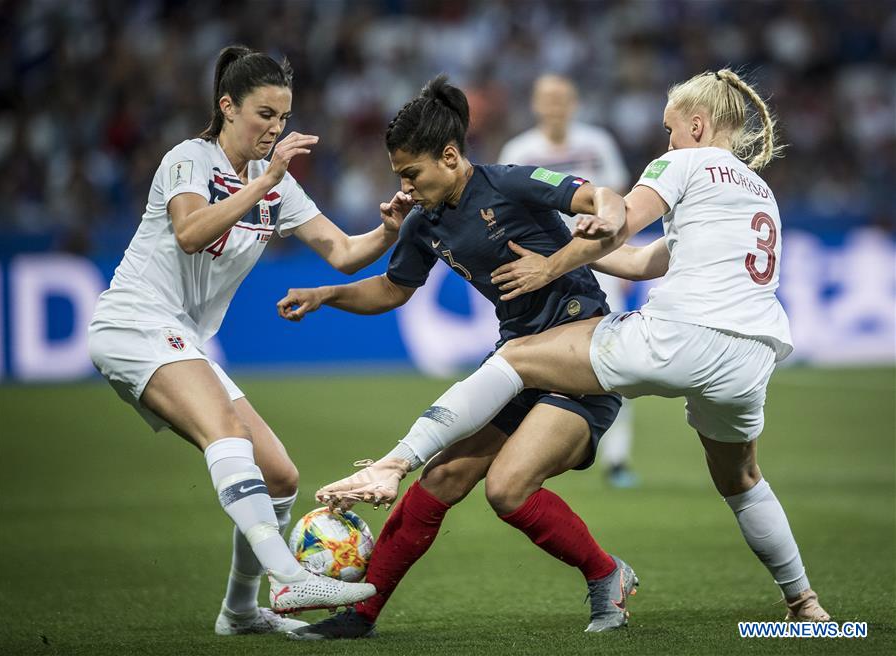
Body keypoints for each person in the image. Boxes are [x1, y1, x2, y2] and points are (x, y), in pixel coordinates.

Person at [318, 69, 830, 623]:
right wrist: (568, 245)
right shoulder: (759, 192)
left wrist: (552, 264)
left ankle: (392, 463)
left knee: (514, 358)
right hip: (752, 355)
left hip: (672, 337)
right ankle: (805, 602)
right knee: (741, 480)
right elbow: (642, 259)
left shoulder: (680, 163)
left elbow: (617, 224)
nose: (667, 142)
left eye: (670, 129)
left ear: (698, 125)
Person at [278, 75, 637, 640]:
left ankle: (605, 573)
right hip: (518, 362)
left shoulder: (510, 182)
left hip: (581, 358)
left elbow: (600, 197)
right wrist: (327, 295)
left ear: (449, 157)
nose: (404, 187)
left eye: (411, 173)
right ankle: (361, 614)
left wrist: (604, 222)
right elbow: (392, 290)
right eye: (399, 175)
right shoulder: (423, 222)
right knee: (442, 476)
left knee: (507, 489)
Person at [86, 45, 406, 636]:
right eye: (264, 114)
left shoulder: (274, 183)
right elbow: (189, 232)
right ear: (228, 106)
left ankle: (238, 611)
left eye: (282, 117)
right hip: (134, 322)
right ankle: (288, 577)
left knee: (280, 475)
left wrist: (388, 230)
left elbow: (342, 252)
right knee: (227, 433)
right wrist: (267, 183)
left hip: (181, 337)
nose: (275, 129)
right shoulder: (190, 159)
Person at [498, 73, 639, 488]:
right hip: (543, 265)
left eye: (562, 98)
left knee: (616, 358)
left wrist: (626, 257)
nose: (555, 106)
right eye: (548, 99)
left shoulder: (597, 143)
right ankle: (532, 448)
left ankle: (617, 459)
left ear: (574, 103)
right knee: (536, 359)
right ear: (536, 104)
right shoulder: (519, 151)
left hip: (599, 261)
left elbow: (621, 203)